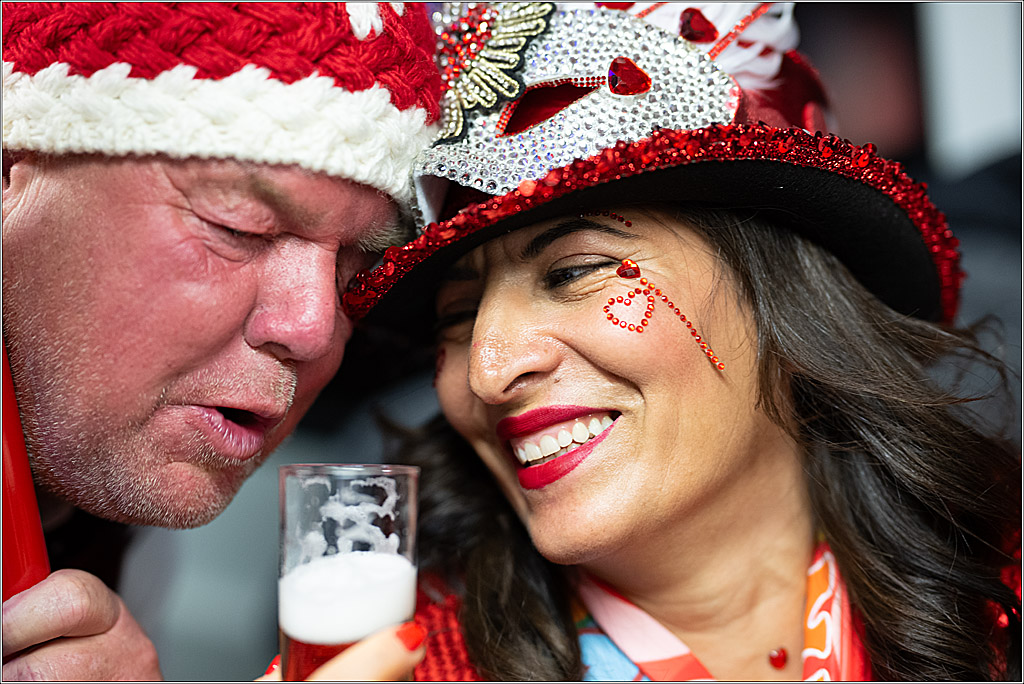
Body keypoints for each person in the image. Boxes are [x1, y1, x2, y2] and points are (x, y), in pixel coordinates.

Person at [342, 2, 1022, 680]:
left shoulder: (1002, 597)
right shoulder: (402, 667)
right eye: (457, 317)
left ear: (783, 298)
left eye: (572, 272)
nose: (489, 371)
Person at [1, 3, 441, 680]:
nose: (313, 327)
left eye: (356, 270)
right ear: (10, 171)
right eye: (237, 227)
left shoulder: (120, 527)